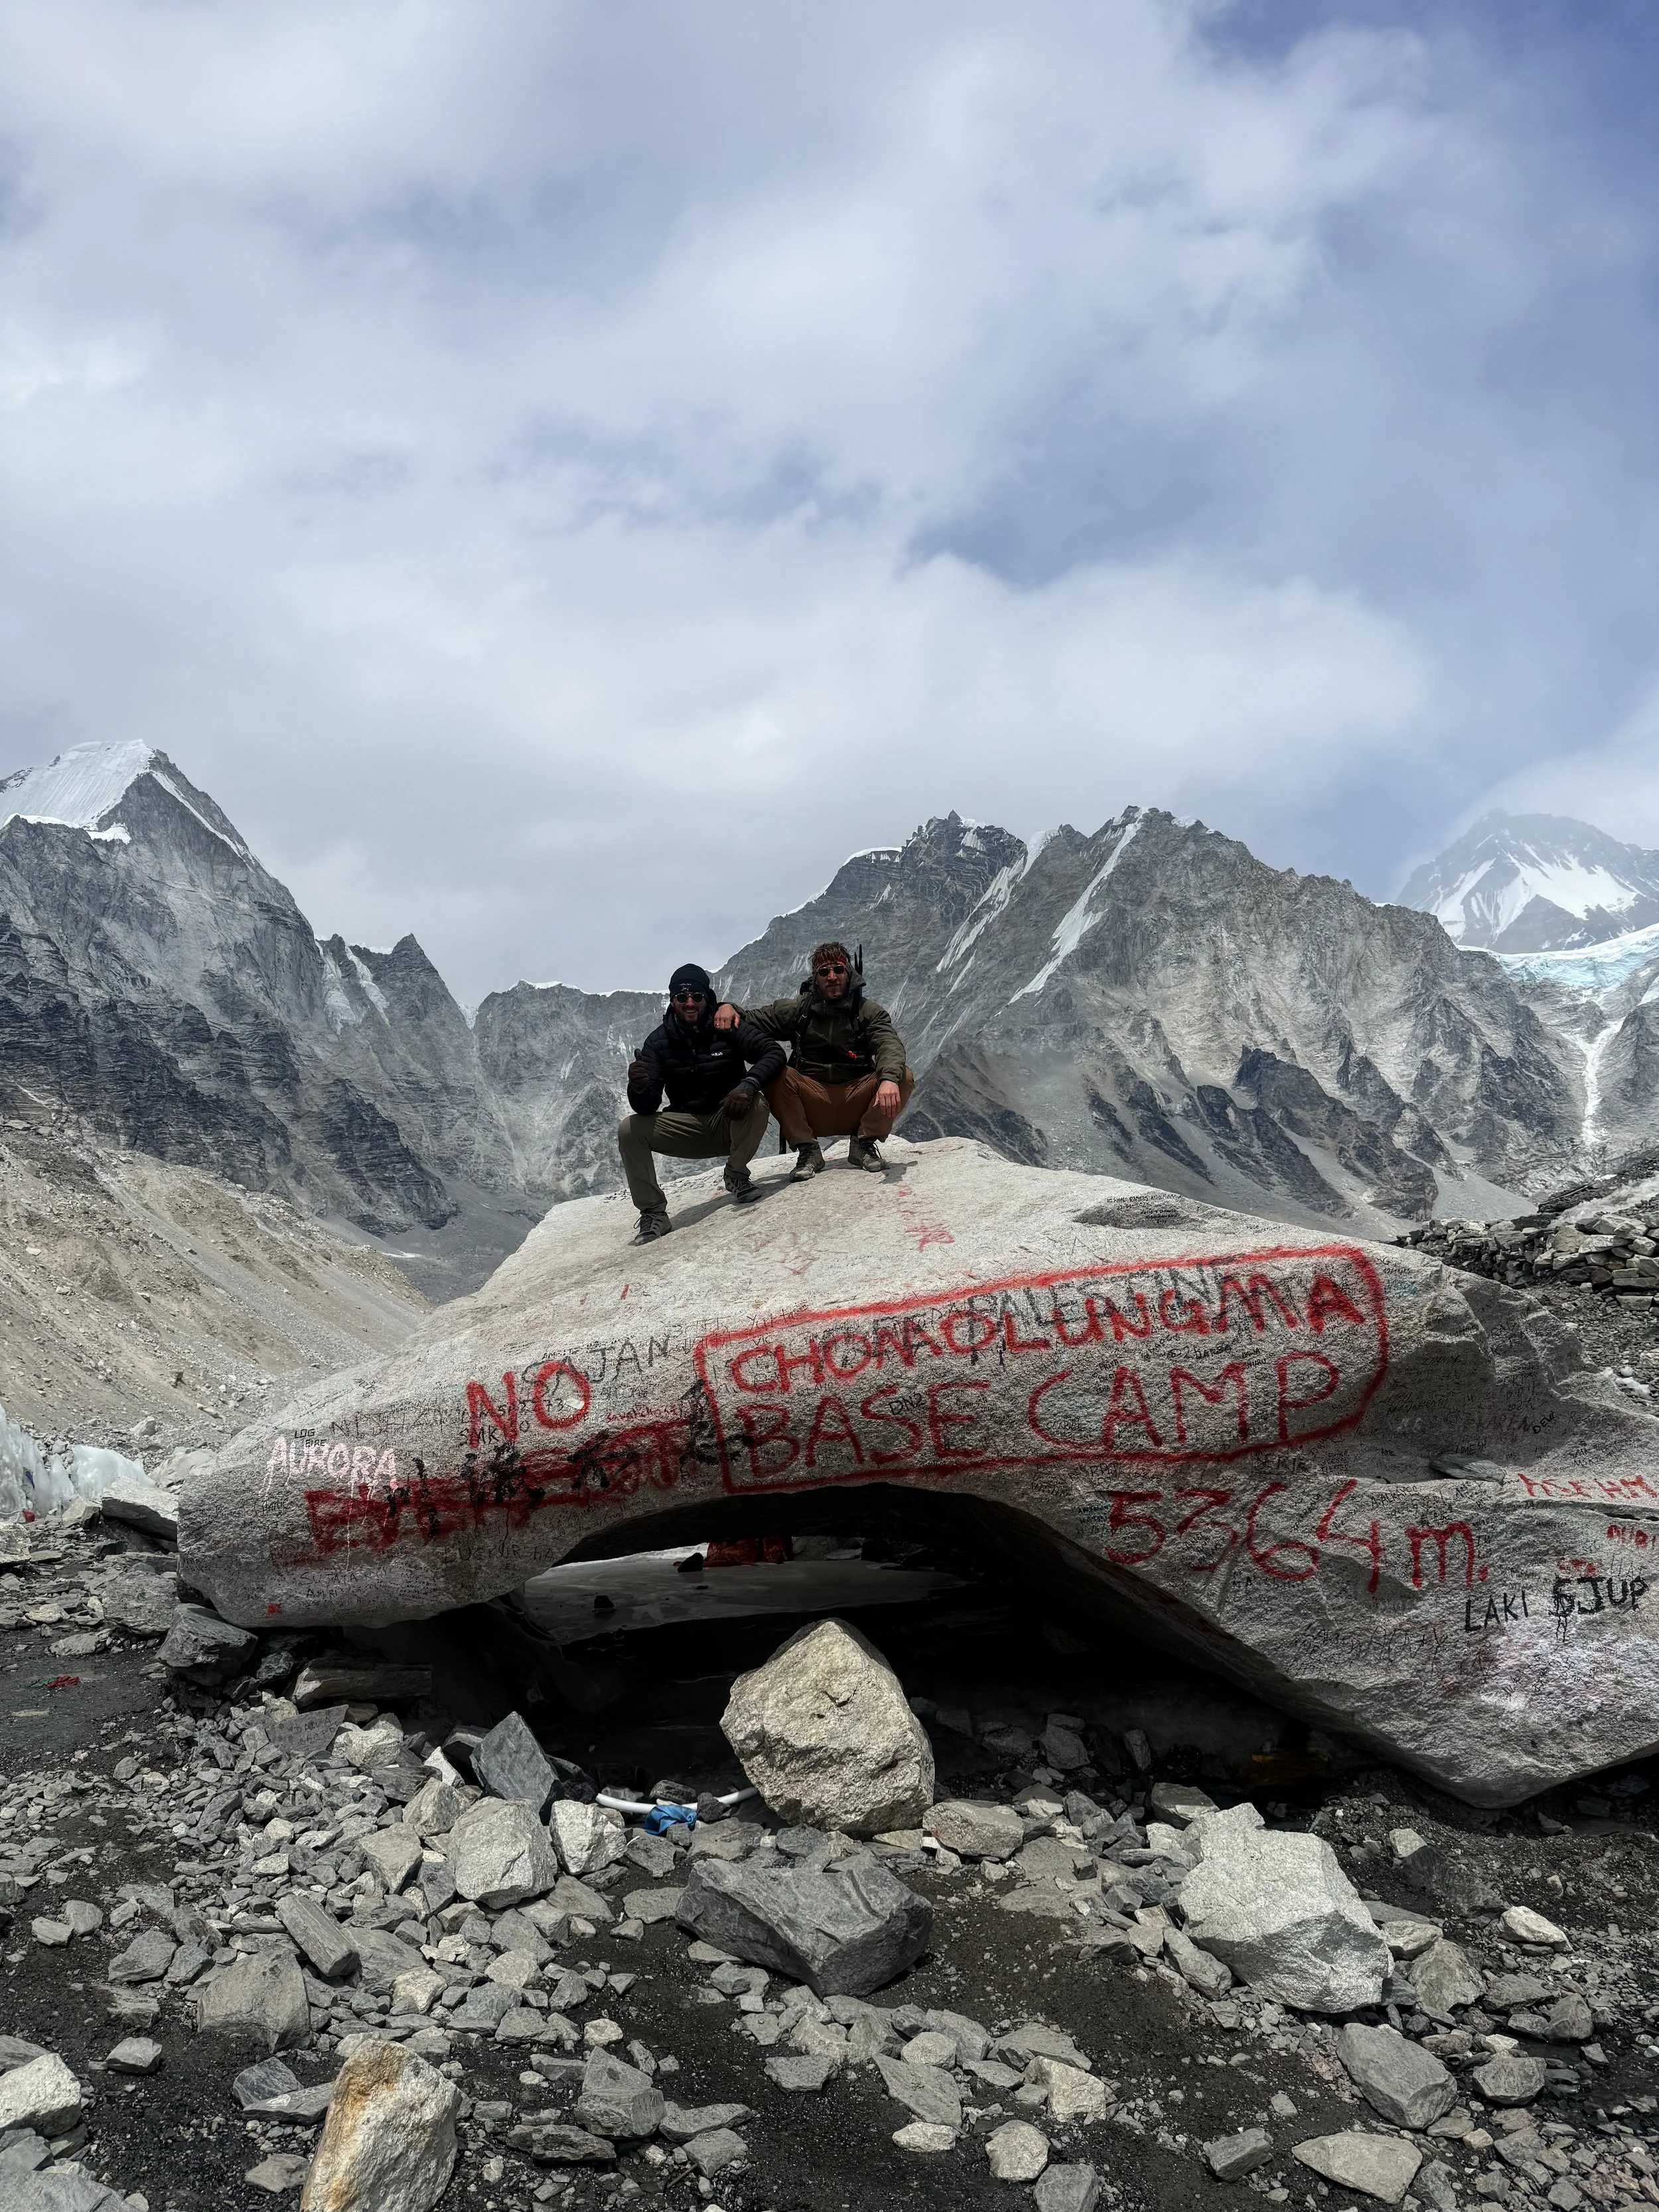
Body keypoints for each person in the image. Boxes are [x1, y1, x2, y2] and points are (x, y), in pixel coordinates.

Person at [713, 941, 913, 1179]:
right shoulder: (798, 1011)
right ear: (815, 978)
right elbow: (751, 1019)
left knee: (902, 1076)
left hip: (857, 1099)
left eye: (838, 969)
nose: (832, 977)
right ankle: (808, 1151)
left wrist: (889, 1079)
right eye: (824, 972)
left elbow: (889, 1045)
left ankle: (863, 1144)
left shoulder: (869, 1013)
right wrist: (727, 1007)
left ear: (849, 972)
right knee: (776, 1073)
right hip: (812, 1102)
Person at [618, 963, 785, 1242]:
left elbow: (773, 1052)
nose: (690, 1003)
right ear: (672, 1000)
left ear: (707, 997)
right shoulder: (657, 1043)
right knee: (629, 1130)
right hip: (687, 1129)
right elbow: (647, 1107)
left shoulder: (727, 1026)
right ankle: (653, 1214)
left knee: (757, 1103)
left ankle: (736, 1175)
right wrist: (638, 1086)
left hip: (729, 1122)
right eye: (682, 997)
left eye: (697, 996)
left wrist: (748, 1085)